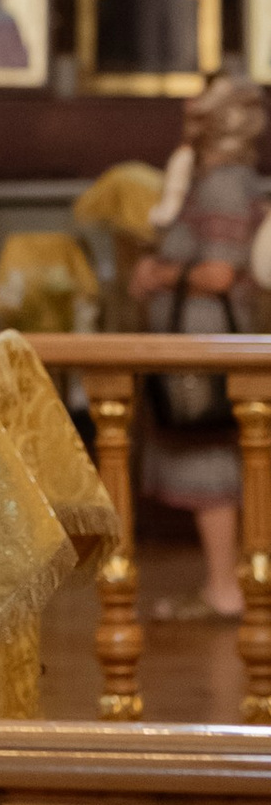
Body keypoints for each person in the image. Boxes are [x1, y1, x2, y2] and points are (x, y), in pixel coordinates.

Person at [129, 72, 271, 621]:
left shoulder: (224, 184)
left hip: (208, 343)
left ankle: (224, 587)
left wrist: (157, 274)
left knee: (209, 461)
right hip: (196, 337)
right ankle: (225, 581)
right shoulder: (214, 177)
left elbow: (219, 270)